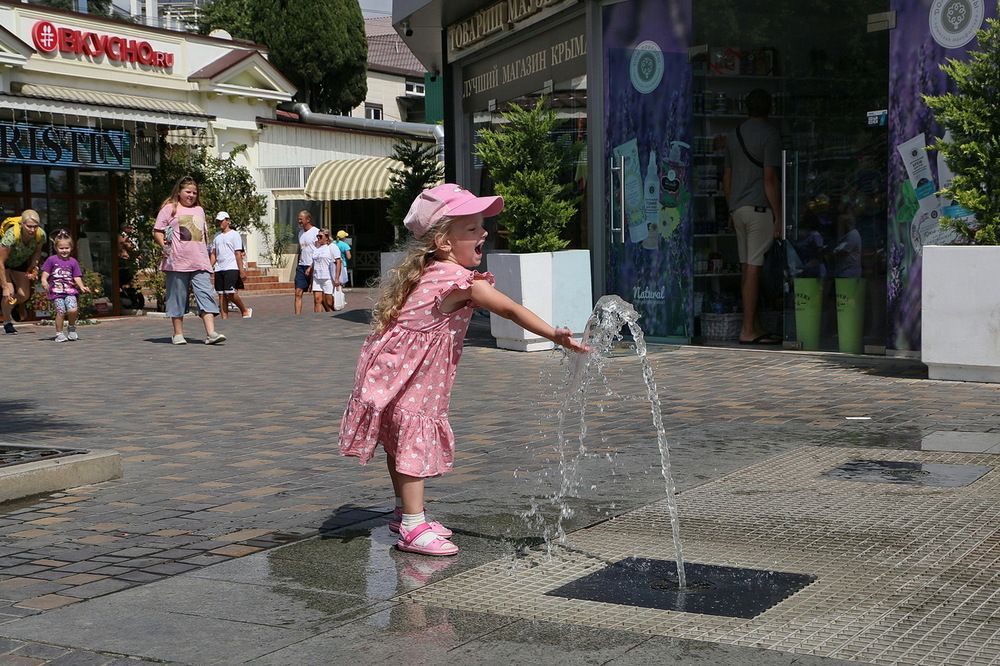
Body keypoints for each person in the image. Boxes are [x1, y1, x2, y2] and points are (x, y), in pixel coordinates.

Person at [338, 184, 588, 557]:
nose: (483, 233)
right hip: (413, 373)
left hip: (392, 369)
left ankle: (405, 513)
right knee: (412, 440)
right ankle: (412, 526)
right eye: (471, 229)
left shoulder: (429, 271)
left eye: (481, 227)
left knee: (399, 438)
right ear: (443, 241)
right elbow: (510, 309)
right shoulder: (458, 281)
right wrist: (554, 333)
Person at [723, 88, 783, 345]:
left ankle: (753, 324)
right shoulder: (770, 134)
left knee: (746, 267)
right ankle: (748, 329)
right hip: (759, 210)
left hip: (738, 210)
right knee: (754, 270)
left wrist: (731, 207)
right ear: (769, 107)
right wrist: (779, 215)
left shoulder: (734, 135)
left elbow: (727, 176)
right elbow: (769, 178)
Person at [153, 176, 226, 345]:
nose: (191, 195)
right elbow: (158, 231)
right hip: (177, 261)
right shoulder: (169, 209)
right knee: (177, 297)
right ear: (179, 192)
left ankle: (211, 333)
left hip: (200, 261)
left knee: (206, 294)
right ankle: (178, 334)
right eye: (188, 192)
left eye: (194, 192)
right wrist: (163, 245)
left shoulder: (199, 210)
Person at [0, 209, 47, 335]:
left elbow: (37, 252)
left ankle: (9, 306)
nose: (32, 230)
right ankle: (7, 322)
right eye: (29, 226)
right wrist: (4, 287)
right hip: (4, 264)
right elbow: (0, 262)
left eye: (35, 226)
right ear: (22, 224)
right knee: (9, 293)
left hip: (19, 262)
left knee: (23, 295)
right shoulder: (11, 236)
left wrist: (33, 267)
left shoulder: (40, 235)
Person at [40, 231, 91, 342]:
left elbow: (77, 276)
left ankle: (71, 328)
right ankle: (59, 333)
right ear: (56, 248)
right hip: (57, 292)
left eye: (66, 248)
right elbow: (45, 274)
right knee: (61, 311)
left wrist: (82, 286)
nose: (64, 251)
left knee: (73, 310)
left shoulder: (73, 262)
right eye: (61, 248)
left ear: (71, 248)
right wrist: (44, 281)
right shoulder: (51, 260)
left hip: (70, 291)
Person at [210, 212, 252, 320]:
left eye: (222, 220)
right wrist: (209, 267)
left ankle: (244, 310)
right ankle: (224, 318)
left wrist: (241, 270)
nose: (219, 223)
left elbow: (238, 253)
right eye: (218, 221)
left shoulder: (235, 234)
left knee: (230, 293)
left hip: (231, 267)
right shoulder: (216, 236)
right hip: (219, 268)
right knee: (221, 294)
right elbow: (214, 253)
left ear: (227, 221)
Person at [310, 229, 343, 312]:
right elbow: (314, 262)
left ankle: (336, 314)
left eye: (320, 236)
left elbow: (338, 262)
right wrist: (311, 276)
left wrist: (336, 278)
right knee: (317, 300)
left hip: (327, 277)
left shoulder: (332, 247)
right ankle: (317, 319)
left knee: (329, 302)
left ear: (327, 237)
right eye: (317, 236)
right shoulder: (317, 248)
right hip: (317, 278)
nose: (318, 238)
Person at [294, 210, 319, 315]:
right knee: (298, 292)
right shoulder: (300, 233)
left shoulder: (316, 232)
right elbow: (301, 250)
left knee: (317, 296)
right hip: (301, 266)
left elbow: (319, 251)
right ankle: (297, 317)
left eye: (301, 219)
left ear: (308, 219)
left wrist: (312, 266)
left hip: (314, 266)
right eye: (298, 218)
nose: (299, 221)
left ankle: (318, 317)